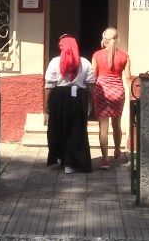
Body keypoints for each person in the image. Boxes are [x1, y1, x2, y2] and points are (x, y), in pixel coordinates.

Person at [44, 34, 94, 174]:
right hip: (78, 98)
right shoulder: (85, 62)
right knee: (77, 130)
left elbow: (49, 86)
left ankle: (61, 158)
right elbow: (90, 86)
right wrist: (90, 104)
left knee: (58, 129)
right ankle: (72, 163)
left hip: (58, 98)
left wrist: (46, 107)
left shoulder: (54, 62)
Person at [91, 27, 131, 170]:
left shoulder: (97, 55)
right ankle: (117, 150)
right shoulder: (124, 56)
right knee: (117, 124)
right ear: (117, 39)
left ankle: (104, 160)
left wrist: (91, 92)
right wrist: (131, 94)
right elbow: (128, 78)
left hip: (101, 91)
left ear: (104, 39)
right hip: (118, 92)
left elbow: (92, 76)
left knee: (103, 127)